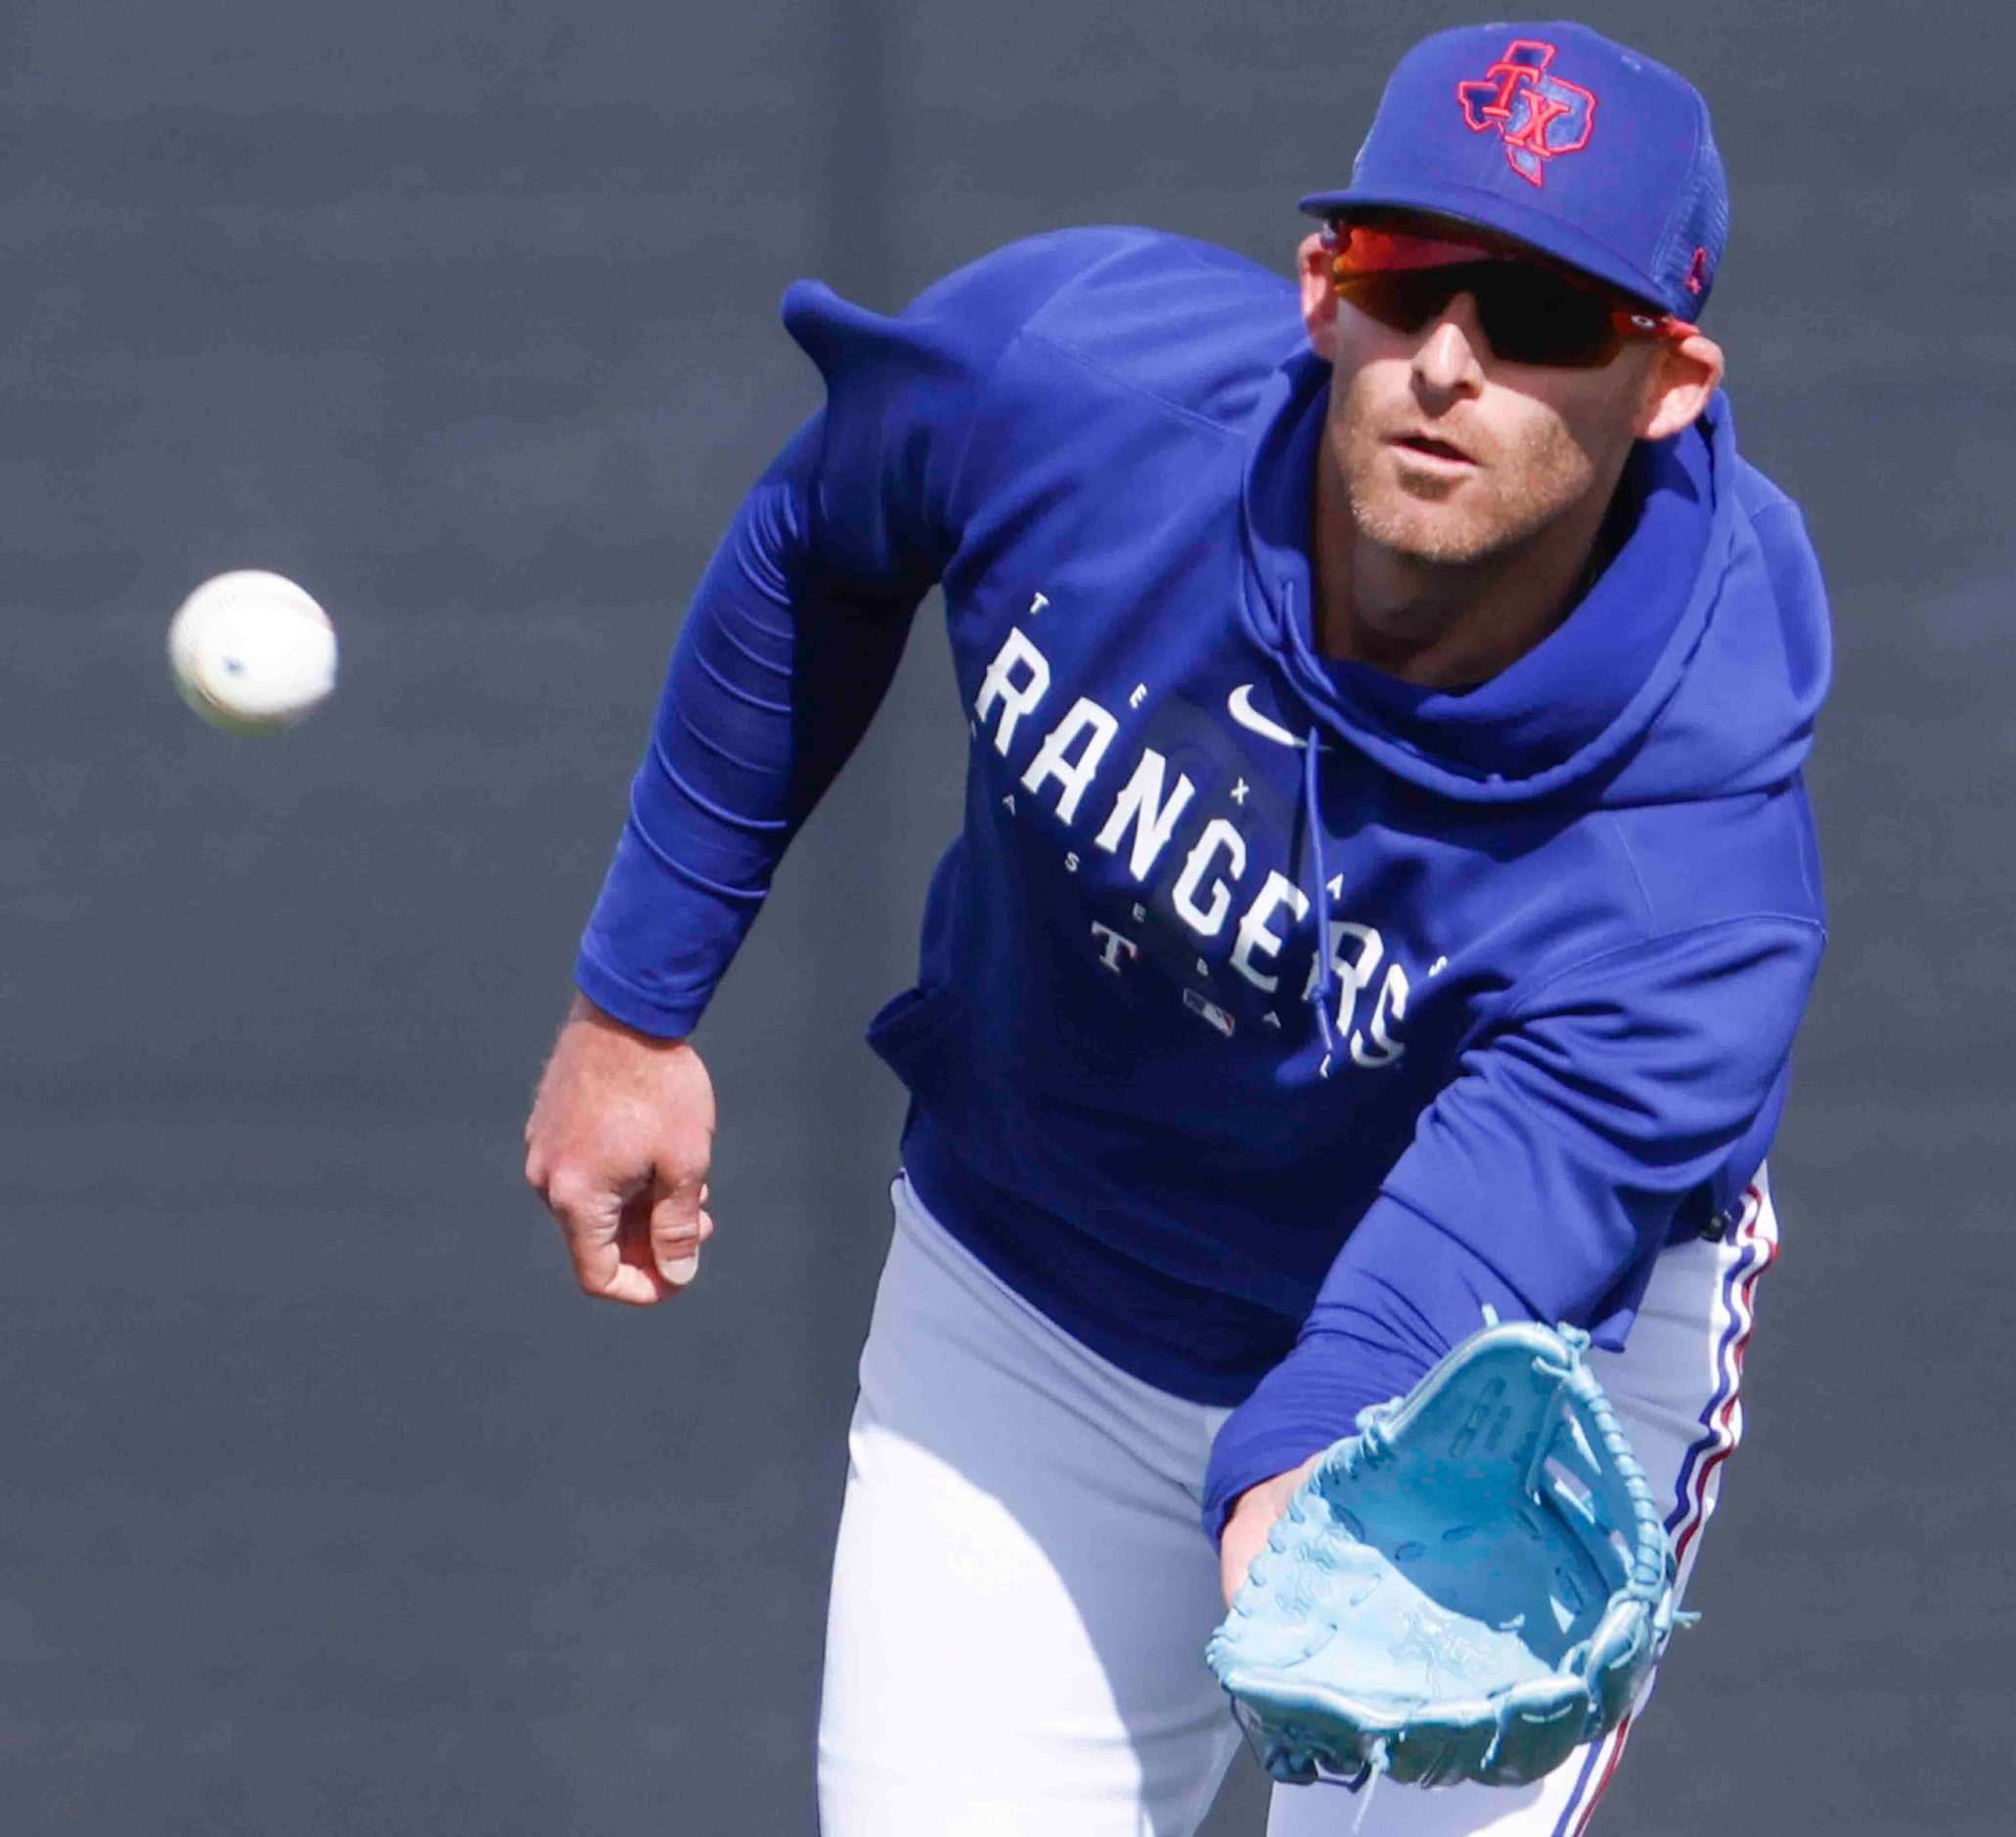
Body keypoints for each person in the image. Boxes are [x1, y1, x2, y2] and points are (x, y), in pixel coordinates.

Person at [523, 20, 1827, 1836]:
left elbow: (1484, 1242)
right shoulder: (1068, 389)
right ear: (1319, 287)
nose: (1444, 360)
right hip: (1035, 1300)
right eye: (1403, 276)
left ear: (1666, 380)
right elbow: (817, 537)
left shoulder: (1686, 866)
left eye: (1537, 316)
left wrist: (1306, 1467)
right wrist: (636, 1003)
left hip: (1467, 1407)